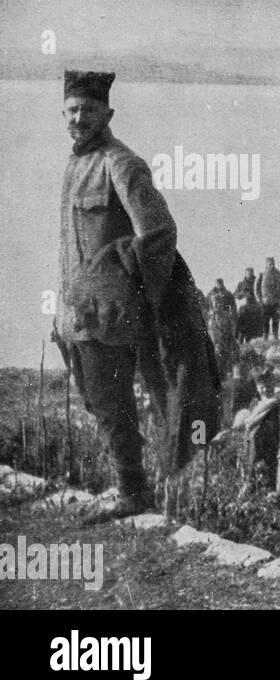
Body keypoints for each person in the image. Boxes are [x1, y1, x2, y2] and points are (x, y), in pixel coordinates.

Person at [55, 70, 220, 524]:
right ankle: (129, 484)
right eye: (71, 110)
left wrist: (125, 281)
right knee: (96, 397)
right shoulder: (74, 165)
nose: (79, 118)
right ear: (63, 114)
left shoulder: (121, 163)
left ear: (107, 113)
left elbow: (159, 233)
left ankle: (133, 491)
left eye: (88, 110)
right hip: (79, 311)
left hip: (112, 314)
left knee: (112, 401)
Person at [257, 257, 280, 341]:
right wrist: (259, 300)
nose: (272, 265)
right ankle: (265, 338)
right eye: (270, 264)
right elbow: (256, 288)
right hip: (266, 302)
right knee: (265, 321)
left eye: (273, 264)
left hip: (276, 302)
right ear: (266, 264)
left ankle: (275, 337)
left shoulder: (278, 274)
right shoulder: (262, 274)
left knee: (276, 320)